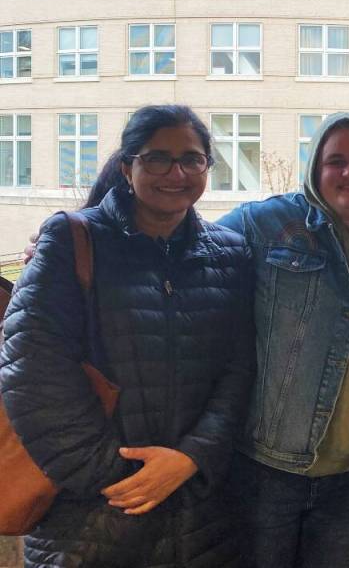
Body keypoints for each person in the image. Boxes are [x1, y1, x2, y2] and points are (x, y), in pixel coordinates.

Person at [1, 105, 254, 567]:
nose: (176, 173)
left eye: (192, 159)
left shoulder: (231, 254)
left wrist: (191, 460)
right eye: (157, 158)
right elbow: (32, 374)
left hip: (201, 516)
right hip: (90, 515)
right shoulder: (71, 240)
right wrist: (124, 478)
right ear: (126, 166)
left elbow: (239, 372)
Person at [216, 112, 349, 568]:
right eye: (336, 161)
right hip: (267, 468)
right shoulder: (263, 225)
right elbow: (188, 249)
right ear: (315, 169)